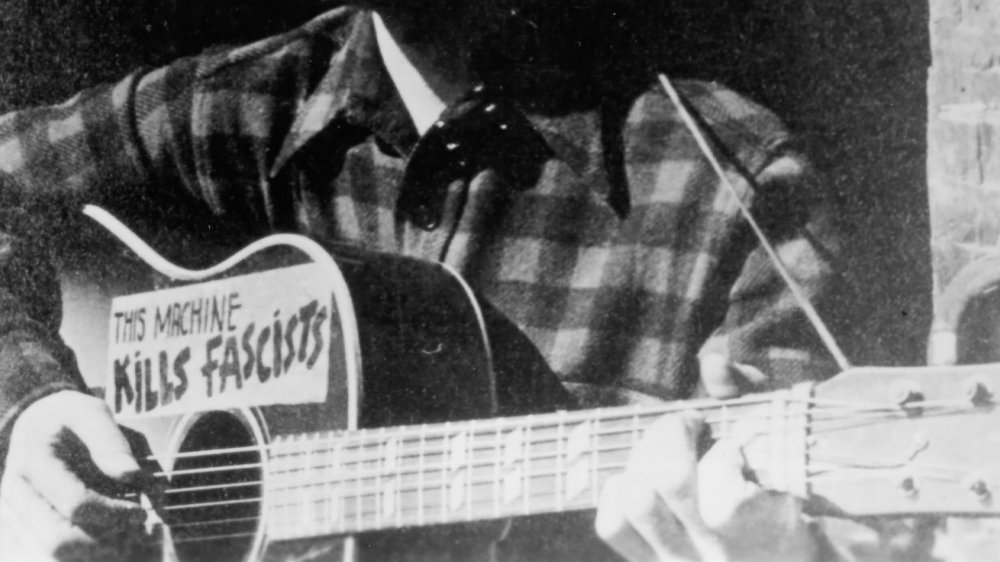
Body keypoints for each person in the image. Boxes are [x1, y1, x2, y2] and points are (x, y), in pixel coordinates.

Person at [0, 1, 865, 560]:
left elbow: (813, 512)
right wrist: (30, 401)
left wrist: (784, 552)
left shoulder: (731, 188)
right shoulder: (236, 110)